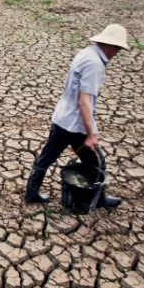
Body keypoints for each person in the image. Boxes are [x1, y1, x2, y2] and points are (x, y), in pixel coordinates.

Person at [24, 24, 129, 207]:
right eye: (118, 49)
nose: (117, 53)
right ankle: (99, 198)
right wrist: (91, 135)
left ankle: (32, 192)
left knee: (46, 157)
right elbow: (84, 101)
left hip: (62, 118)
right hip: (75, 123)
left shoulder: (87, 53)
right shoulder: (95, 64)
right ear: (110, 45)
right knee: (98, 164)